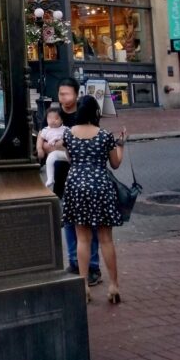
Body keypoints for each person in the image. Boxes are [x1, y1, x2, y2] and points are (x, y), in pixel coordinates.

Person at [62, 95, 126, 303]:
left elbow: (70, 158)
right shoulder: (105, 135)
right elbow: (115, 163)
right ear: (95, 112)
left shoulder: (68, 134)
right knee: (106, 238)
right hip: (100, 185)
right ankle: (113, 286)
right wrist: (121, 145)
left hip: (76, 185)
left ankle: (84, 287)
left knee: (82, 238)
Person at [55, 78, 101, 286]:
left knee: (90, 225)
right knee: (69, 223)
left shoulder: (84, 114)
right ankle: (74, 262)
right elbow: (44, 143)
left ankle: (92, 266)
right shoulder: (54, 114)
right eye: (60, 94)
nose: (63, 98)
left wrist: (63, 145)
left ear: (76, 94)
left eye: (66, 94)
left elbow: (91, 142)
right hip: (62, 177)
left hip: (84, 178)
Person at [35, 105, 67, 190]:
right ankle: (50, 178)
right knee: (50, 159)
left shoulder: (65, 129)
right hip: (55, 153)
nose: (52, 121)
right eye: (49, 118)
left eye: (56, 118)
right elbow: (40, 139)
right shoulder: (46, 130)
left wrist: (62, 142)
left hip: (66, 152)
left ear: (62, 120)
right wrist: (39, 149)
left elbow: (69, 138)